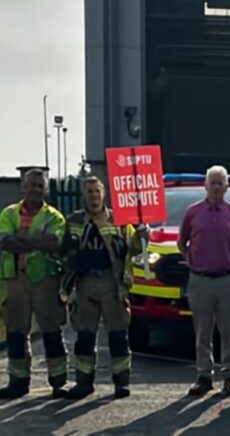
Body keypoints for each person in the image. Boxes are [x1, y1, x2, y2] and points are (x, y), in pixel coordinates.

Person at [61, 176, 146, 399]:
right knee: (85, 336)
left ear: (104, 194)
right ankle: (83, 383)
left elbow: (134, 249)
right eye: (89, 192)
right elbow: (63, 253)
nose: (93, 196)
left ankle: (121, 383)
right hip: (85, 284)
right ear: (83, 195)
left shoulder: (119, 220)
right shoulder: (74, 221)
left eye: (97, 191)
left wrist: (141, 234)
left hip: (112, 283)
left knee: (118, 335)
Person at [0, 168, 67, 399]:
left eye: (40, 186)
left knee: (51, 330)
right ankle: (18, 382)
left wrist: (20, 238)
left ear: (45, 189)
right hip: (15, 280)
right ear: (23, 187)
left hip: (44, 280)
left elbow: (53, 243)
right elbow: (5, 242)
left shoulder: (55, 216)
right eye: (32, 185)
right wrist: (36, 241)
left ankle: (59, 381)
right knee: (16, 332)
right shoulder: (8, 213)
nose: (36, 190)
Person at [178, 165, 230, 396]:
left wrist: (229, 262)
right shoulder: (192, 213)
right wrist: (192, 261)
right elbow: (182, 241)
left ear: (226, 187)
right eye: (212, 183)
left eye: (220, 183)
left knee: (228, 330)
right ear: (204, 186)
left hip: (227, 280)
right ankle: (204, 376)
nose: (216, 187)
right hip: (200, 280)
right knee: (202, 331)